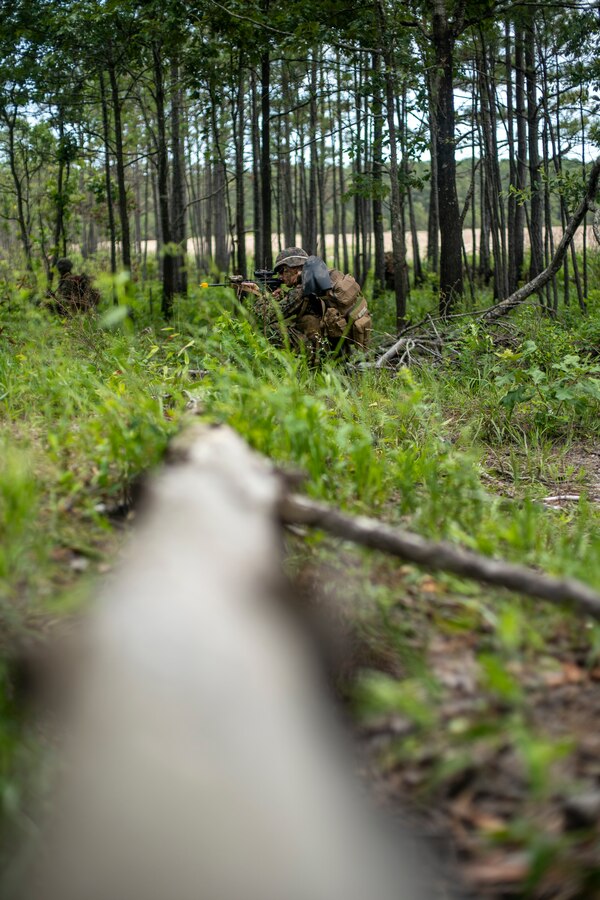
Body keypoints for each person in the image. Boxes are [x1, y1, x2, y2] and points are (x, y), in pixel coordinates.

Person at [246, 247, 372, 362]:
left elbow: (264, 316)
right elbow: (311, 305)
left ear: (295, 269)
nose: (280, 277)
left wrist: (262, 296)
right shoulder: (322, 279)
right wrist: (282, 296)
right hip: (336, 345)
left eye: (283, 271)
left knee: (268, 330)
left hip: (320, 348)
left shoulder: (301, 291)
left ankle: (313, 360)